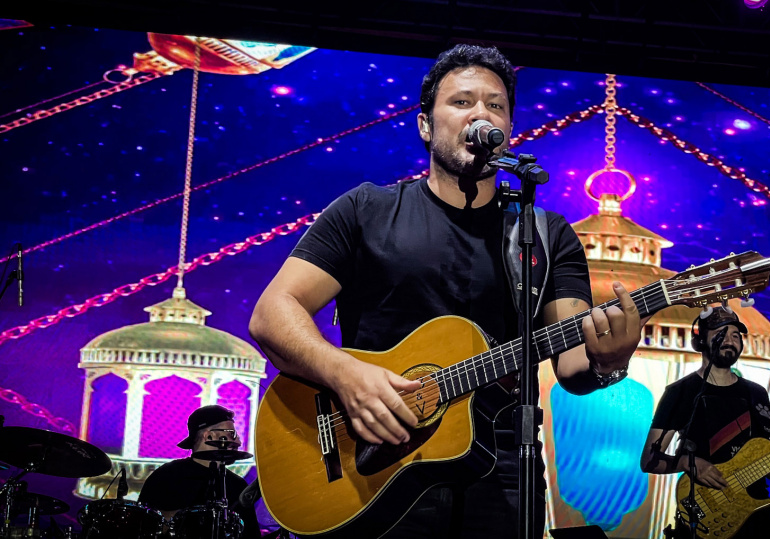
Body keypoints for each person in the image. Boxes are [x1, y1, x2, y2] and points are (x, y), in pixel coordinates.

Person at [248, 44, 645, 538]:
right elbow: (272, 313)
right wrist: (346, 375)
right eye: (462, 102)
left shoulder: (545, 234)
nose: (481, 112)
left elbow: (572, 369)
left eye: (495, 105)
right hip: (370, 457)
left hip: (501, 471)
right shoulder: (365, 210)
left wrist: (611, 363)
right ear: (425, 125)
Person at [640, 306, 770, 539]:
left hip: (756, 517)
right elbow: (649, 461)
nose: (731, 341)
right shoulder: (680, 392)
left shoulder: (757, 394)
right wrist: (686, 462)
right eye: (721, 334)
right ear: (700, 341)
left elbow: (769, 465)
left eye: (736, 335)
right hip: (707, 519)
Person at [138, 405, 262, 538]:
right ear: (209, 436)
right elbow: (138, 525)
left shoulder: (237, 485)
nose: (238, 441)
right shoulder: (166, 476)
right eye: (231, 434)